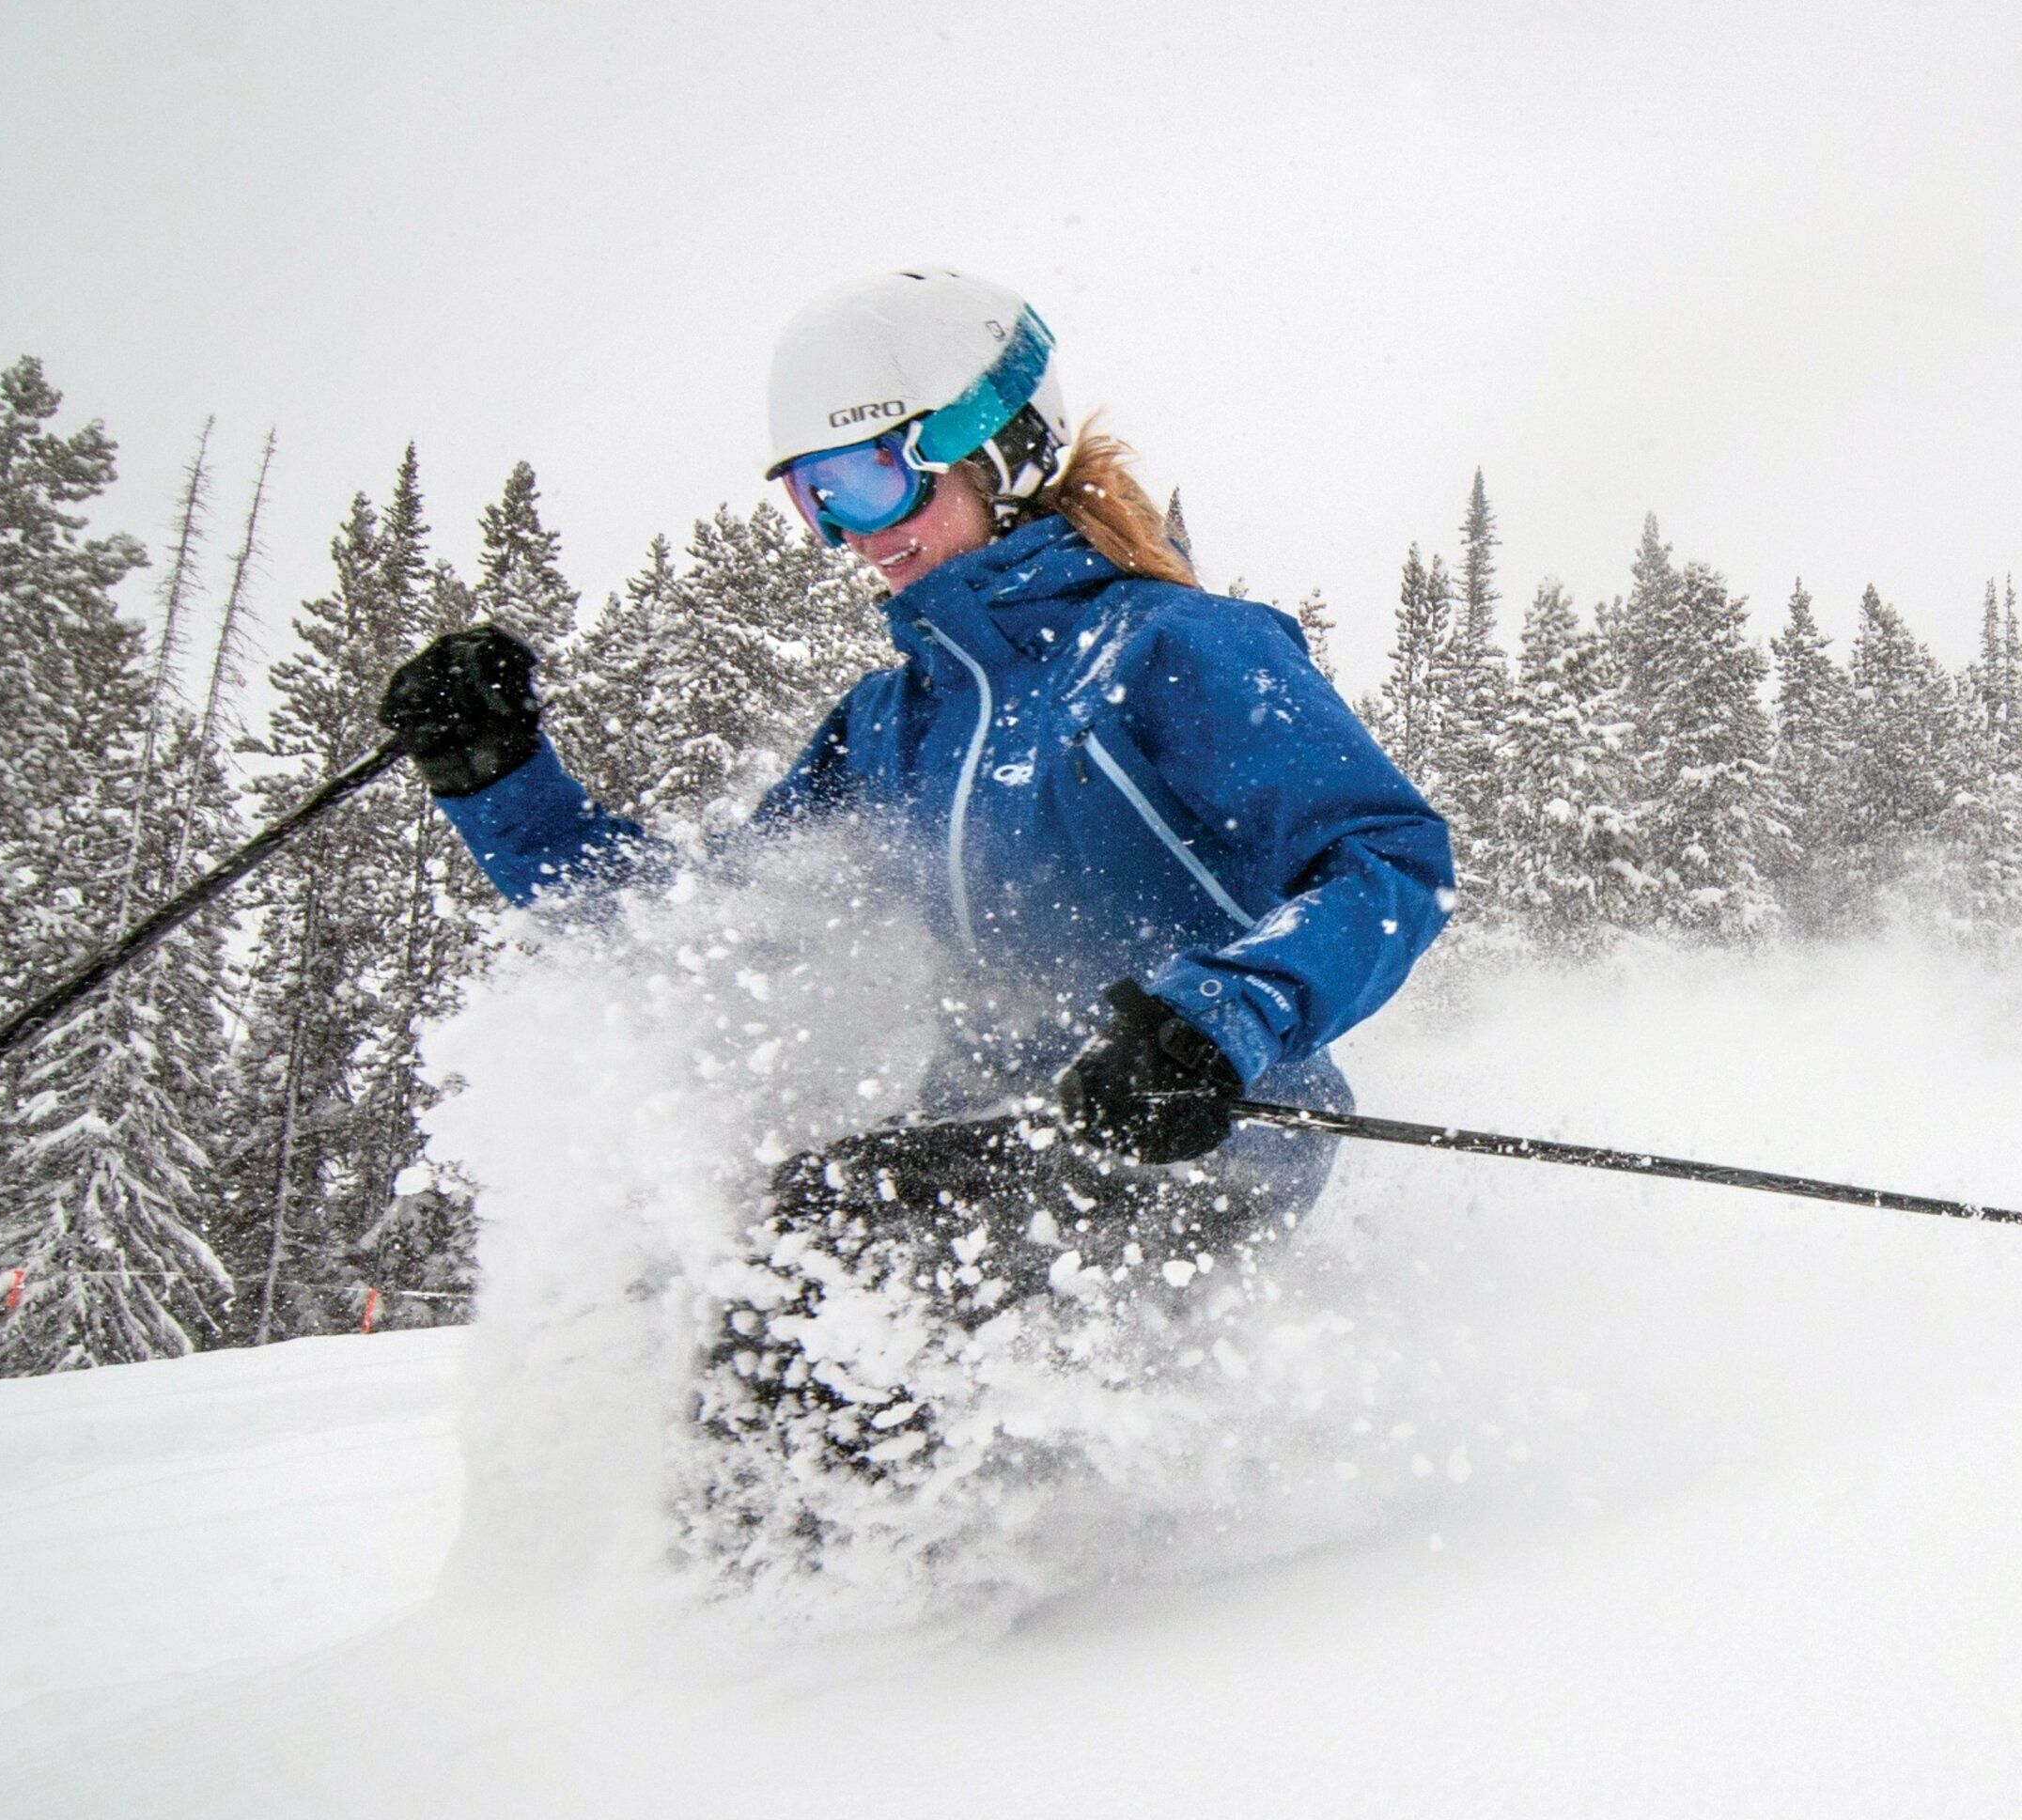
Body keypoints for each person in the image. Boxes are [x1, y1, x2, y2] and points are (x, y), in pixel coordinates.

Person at [376, 267, 1454, 1326]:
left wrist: (1219, 1022)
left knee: (832, 1239)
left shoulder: (1170, 648)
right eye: (817, 498)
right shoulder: (887, 730)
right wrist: (498, 778)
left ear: (999, 446)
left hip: (1202, 1129)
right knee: (730, 1268)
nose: (855, 532)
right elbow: (697, 935)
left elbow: (1389, 859)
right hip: (989, 1145)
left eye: (870, 480)